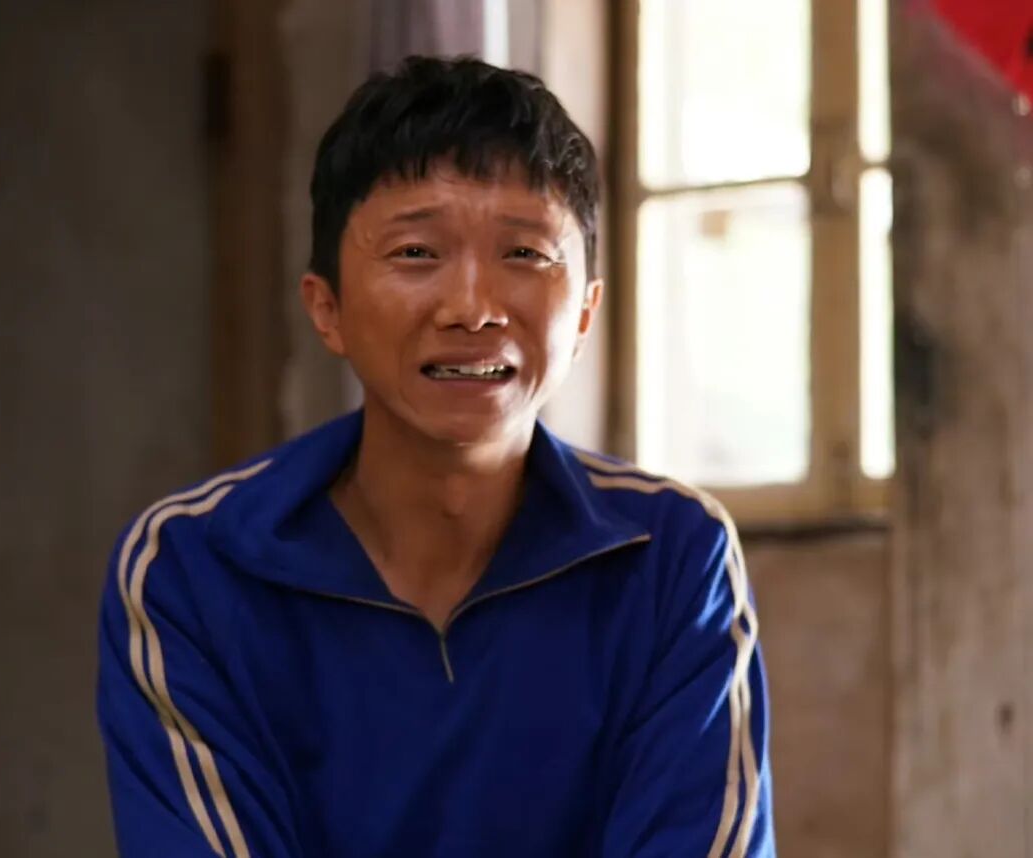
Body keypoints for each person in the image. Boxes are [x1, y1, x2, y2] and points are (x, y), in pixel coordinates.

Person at [96, 55, 775, 857]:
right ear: (327, 308)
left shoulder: (673, 556)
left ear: (586, 312)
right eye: (417, 253)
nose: (472, 309)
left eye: (525, 254)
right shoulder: (193, 566)